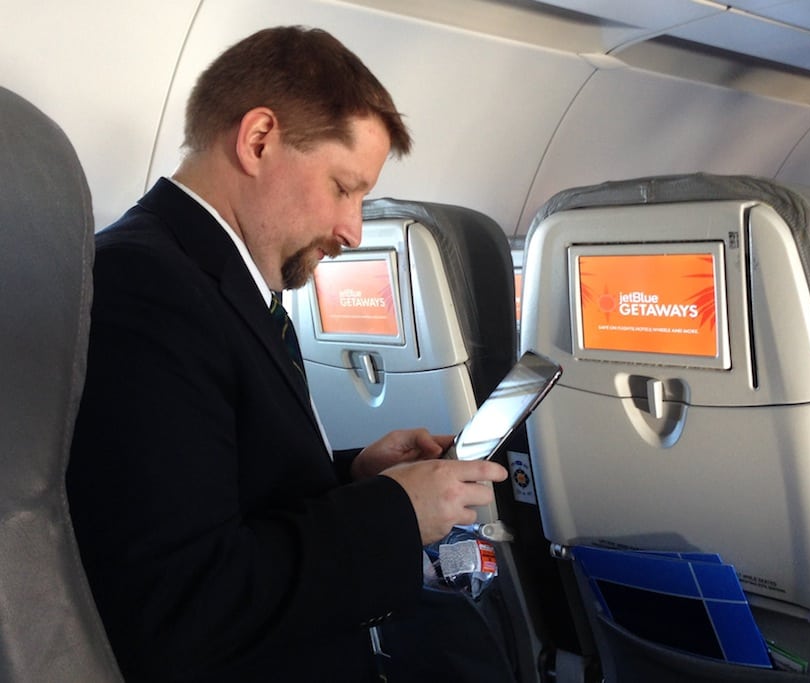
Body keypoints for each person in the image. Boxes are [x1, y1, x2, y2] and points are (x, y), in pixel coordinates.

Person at [67, 25, 508, 682]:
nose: (353, 228)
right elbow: (190, 602)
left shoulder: (217, 279)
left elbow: (216, 485)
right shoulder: (146, 290)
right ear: (259, 140)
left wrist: (354, 474)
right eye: (343, 186)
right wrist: (395, 512)